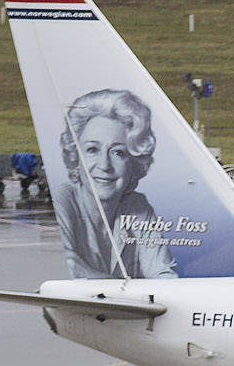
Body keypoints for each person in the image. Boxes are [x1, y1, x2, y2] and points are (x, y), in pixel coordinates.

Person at [54, 89, 177, 279]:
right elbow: (71, 267)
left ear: (134, 162)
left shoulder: (138, 207)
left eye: (118, 153)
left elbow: (163, 274)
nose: (104, 166)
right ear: (75, 156)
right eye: (92, 150)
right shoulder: (63, 199)